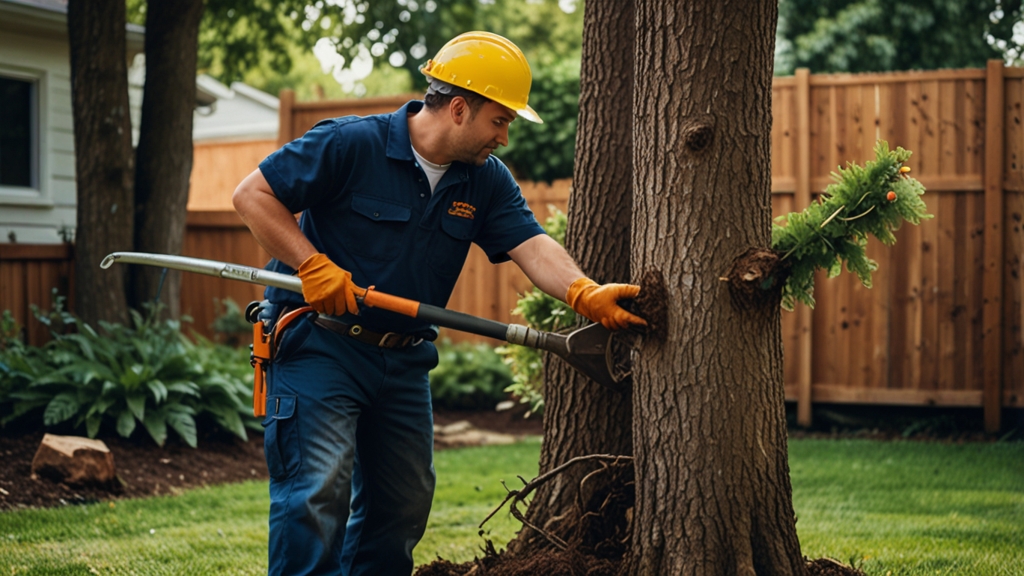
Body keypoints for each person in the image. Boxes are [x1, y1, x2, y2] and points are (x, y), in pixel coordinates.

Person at [232, 30, 646, 576]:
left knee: (401, 504)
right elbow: (252, 195)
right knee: (316, 492)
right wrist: (310, 263)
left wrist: (582, 291)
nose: (503, 137)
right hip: (319, 345)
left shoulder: (485, 181)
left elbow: (532, 244)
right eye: (500, 120)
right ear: (458, 108)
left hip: (403, 361)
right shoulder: (351, 144)